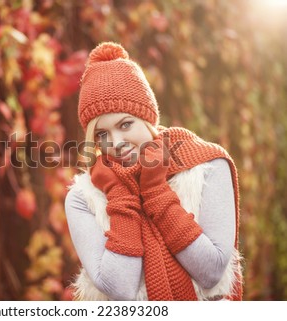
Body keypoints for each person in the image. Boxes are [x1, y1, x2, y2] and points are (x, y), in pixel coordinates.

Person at [64, 42, 243, 301]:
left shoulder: (207, 166)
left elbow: (212, 271)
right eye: (102, 134)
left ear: (148, 119)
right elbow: (122, 289)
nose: (115, 143)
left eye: (126, 124)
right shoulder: (83, 198)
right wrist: (121, 196)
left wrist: (155, 191)